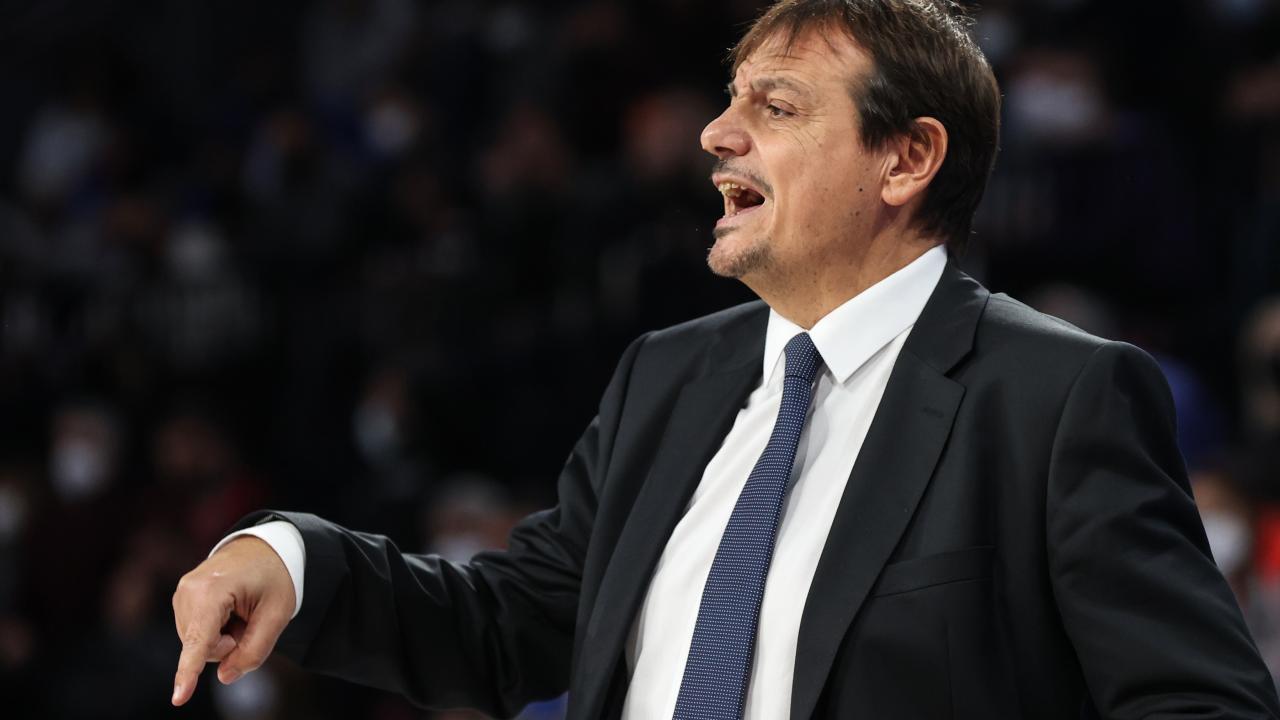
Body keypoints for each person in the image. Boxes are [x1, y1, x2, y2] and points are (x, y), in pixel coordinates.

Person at [170, 1, 1280, 718]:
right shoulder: (665, 377)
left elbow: (1197, 705)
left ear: (906, 159)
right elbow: (511, 622)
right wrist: (294, 560)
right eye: (729, 97)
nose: (715, 133)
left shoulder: (1057, 398)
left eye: (774, 106)